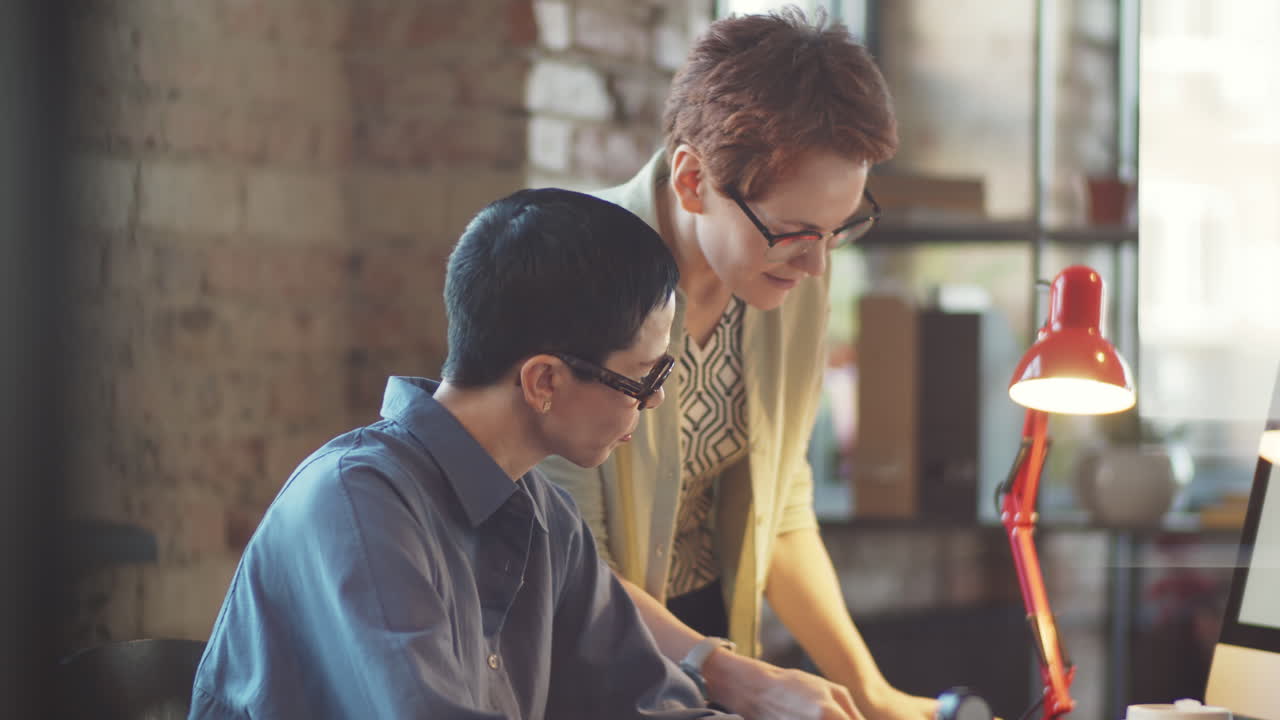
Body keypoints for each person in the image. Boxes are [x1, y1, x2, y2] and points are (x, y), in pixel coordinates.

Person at [188, 189, 744, 720]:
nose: (657, 400)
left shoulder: (546, 517)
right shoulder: (356, 506)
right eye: (644, 378)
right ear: (543, 380)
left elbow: (650, 704)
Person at [539, 8, 938, 720]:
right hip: (586, 666)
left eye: (840, 229)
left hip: (708, 648)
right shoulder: (571, 279)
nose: (818, 264)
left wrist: (872, 694)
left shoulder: (788, 276)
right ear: (693, 181)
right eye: (793, 233)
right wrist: (736, 678)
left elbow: (782, 510)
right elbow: (567, 567)